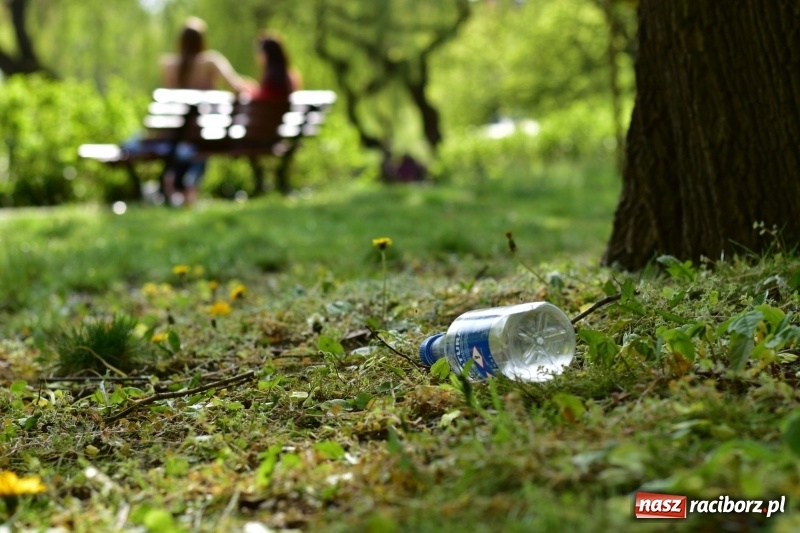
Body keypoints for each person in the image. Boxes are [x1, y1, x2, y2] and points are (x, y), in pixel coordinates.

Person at [158, 17, 247, 206]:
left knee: (187, 142)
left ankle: (175, 184)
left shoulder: (168, 64)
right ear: (202, 40)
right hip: (205, 131)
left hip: (177, 133)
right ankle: (190, 186)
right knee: (202, 142)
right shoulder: (210, 61)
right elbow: (237, 87)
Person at [245, 32, 302, 103]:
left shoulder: (271, 79)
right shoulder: (291, 77)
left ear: (266, 55)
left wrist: (250, 91)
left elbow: (264, 98)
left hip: (267, 113)